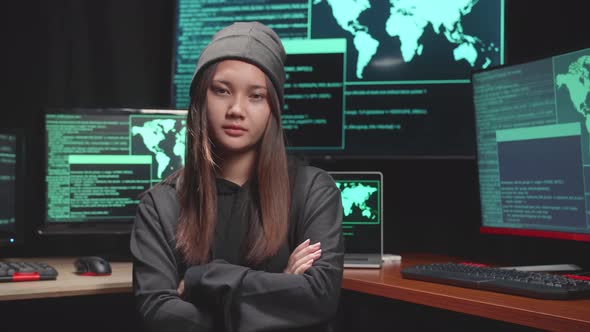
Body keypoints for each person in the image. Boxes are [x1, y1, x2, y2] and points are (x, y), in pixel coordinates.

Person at [130, 21, 344, 332]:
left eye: (255, 96)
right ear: (201, 98)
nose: (236, 109)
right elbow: (159, 313)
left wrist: (201, 279)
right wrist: (281, 287)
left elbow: (319, 297)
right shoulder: (160, 205)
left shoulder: (313, 191)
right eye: (221, 91)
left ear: (273, 108)